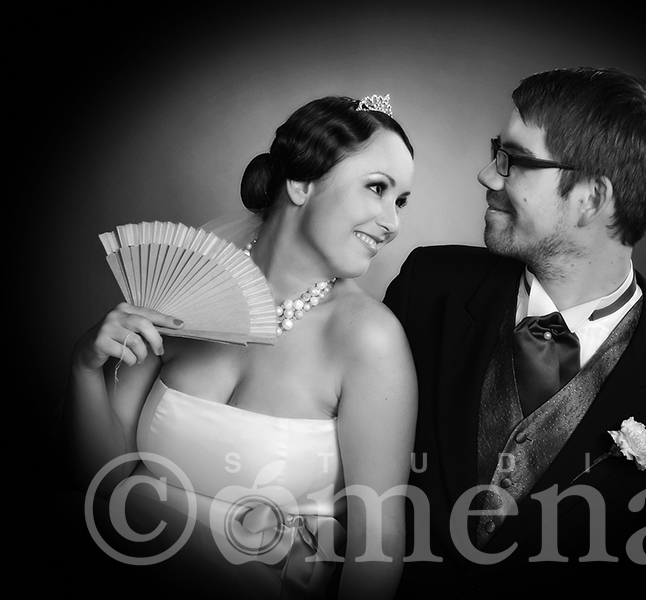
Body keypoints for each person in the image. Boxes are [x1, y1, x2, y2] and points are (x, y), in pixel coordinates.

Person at [384, 67, 646, 596]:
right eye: (496, 152)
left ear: (592, 198)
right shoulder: (430, 287)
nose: (488, 175)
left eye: (515, 159)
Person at [63, 94, 417, 599]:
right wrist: (84, 366)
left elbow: (377, 541)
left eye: (400, 201)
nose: (392, 223)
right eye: (377, 188)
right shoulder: (181, 291)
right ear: (301, 182)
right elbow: (101, 477)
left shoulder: (369, 340)